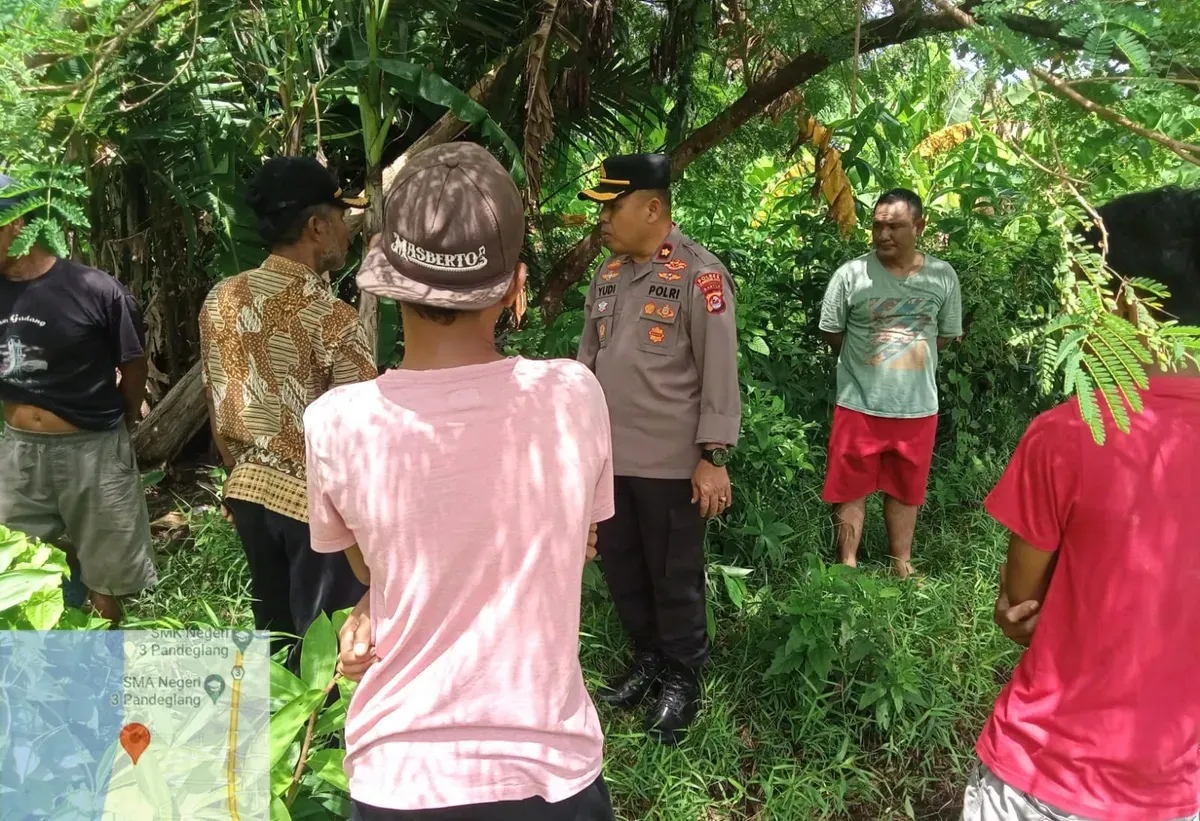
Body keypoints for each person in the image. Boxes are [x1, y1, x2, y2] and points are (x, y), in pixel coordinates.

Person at [304, 142, 616, 821]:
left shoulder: (336, 423)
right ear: (516, 286)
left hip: (400, 776)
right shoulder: (574, 396)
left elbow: (378, 571)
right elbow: (577, 542)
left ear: (384, 277)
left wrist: (369, 608)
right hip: (551, 775)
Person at [963, 192, 1200, 821]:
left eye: (1084, 295)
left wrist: (1016, 612)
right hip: (1177, 788)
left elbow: (1020, 605)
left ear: (1128, 301)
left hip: (1041, 773)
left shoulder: (1070, 434)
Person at [576, 153, 742, 744]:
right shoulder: (610, 274)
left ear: (652, 208)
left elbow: (720, 370)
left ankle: (681, 676)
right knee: (624, 567)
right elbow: (585, 363)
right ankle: (647, 657)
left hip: (672, 464)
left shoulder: (701, 276)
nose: (602, 219)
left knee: (674, 575)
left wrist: (713, 455)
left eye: (612, 207)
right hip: (610, 460)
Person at [198, 156, 374, 656]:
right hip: (316, 505)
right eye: (341, 217)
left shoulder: (220, 299)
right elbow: (358, 432)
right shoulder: (332, 318)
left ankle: (274, 728)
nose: (347, 230)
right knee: (329, 642)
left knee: (273, 633)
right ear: (317, 227)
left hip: (249, 492)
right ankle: (321, 733)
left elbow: (219, 401)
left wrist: (239, 477)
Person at [0, 175, 156, 625]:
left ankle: (100, 671)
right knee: (19, 567)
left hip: (92, 450)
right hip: (18, 454)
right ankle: (37, 677)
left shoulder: (94, 289)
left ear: (17, 224)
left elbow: (134, 365)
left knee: (105, 572)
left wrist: (121, 421)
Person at [818, 188, 962, 577]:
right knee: (850, 488)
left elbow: (945, 335)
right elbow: (833, 332)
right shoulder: (851, 275)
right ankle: (846, 564)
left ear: (919, 226)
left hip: (917, 407)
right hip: (859, 402)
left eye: (895, 226)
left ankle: (902, 563)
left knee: (906, 489)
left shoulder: (942, 276)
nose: (883, 235)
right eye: (878, 226)